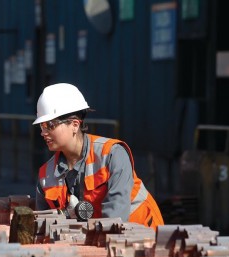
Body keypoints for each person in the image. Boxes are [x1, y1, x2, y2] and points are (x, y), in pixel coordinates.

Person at [34, 83, 164, 229]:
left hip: (145, 237)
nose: (43, 133)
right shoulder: (45, 176)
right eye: (42, 126)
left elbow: (115, 216)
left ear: (75, 125)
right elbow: (44, 226)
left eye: (50, 125)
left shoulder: (112, 154)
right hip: (95, 242)